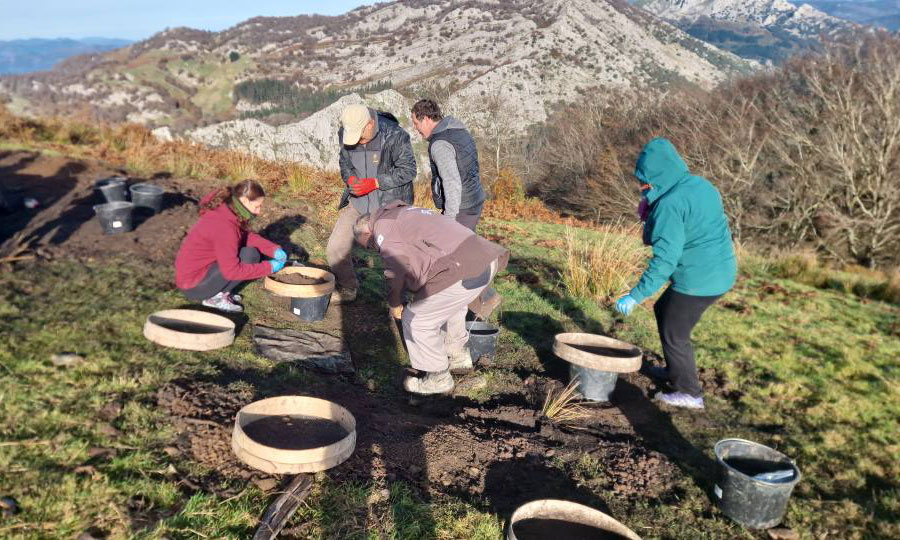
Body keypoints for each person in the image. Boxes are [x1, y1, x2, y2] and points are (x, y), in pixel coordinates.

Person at [615, 138, 737, 410]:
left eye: (645, 182)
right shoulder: (700, 185)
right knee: (664, 309)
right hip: (720, 269)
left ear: (657, 177)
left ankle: (688, 392)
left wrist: (635, 296)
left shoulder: (669, 205)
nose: (642, 187)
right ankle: (675, 371)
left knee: (675, 332)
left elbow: (664, 261)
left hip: (699, 280)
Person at [352, 201, 508, 395]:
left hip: (462, 269)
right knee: (452, 306)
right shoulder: (403, 212)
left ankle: (438, 377)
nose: (374, 249)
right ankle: (458, 356)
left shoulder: (384, 227)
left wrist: (394, 303)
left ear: (367, 232)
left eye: (369, 246)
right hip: (484, 259)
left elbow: (395, 269)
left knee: (416, 319)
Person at [326, 103, 417, 304]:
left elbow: (409, 170)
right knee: (335, 248)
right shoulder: (346, 133)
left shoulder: (394, 135)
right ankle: (349, 287)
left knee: (395, 258)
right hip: (357, 203)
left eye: (360, 135)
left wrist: (375, 182)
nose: (356, 141)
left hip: (388, 206)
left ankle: (406, 299)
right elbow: (345, 163)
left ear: (369, 124)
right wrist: (350, 179)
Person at [175, 180, 287, 313]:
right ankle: (214, 298)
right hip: (194, 286)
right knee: (249, 256)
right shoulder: (225, 226)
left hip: (198, 272)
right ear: (245, 201)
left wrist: (273, 249)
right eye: (257, 206)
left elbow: (244, 236)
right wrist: (270, 267)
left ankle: (219, 291)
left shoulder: (226, 210)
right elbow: (232, 271)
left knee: (250, 254)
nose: (259, 211)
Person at [410, 99, 486, 231]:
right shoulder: (459, 130)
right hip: (475, 197)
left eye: (416, 123)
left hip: (461, 207)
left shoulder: (440, 144)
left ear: (427, 119)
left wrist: (449, 219)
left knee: (454, 248)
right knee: (466, 243)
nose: (415, 128)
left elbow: (452, 182)